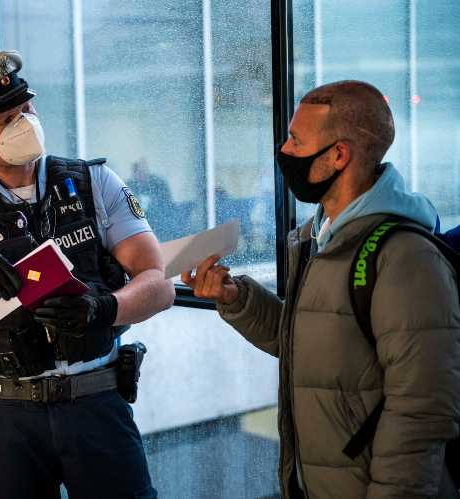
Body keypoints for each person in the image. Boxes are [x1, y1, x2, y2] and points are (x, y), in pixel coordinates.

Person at [0, 51, 174, 499]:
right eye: (5, 121)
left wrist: (104, 308)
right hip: (7, 417)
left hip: (95, 402)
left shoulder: (94, 184)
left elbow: (159, 283)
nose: (23, 124)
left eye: (26, 110)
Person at [183, 80, 460, 498]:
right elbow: (302, 340)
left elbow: (420, 415)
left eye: (296, 140)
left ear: (338, 155)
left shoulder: (405, 257)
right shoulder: (319, 236)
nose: (284, 151)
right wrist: (235, 298)